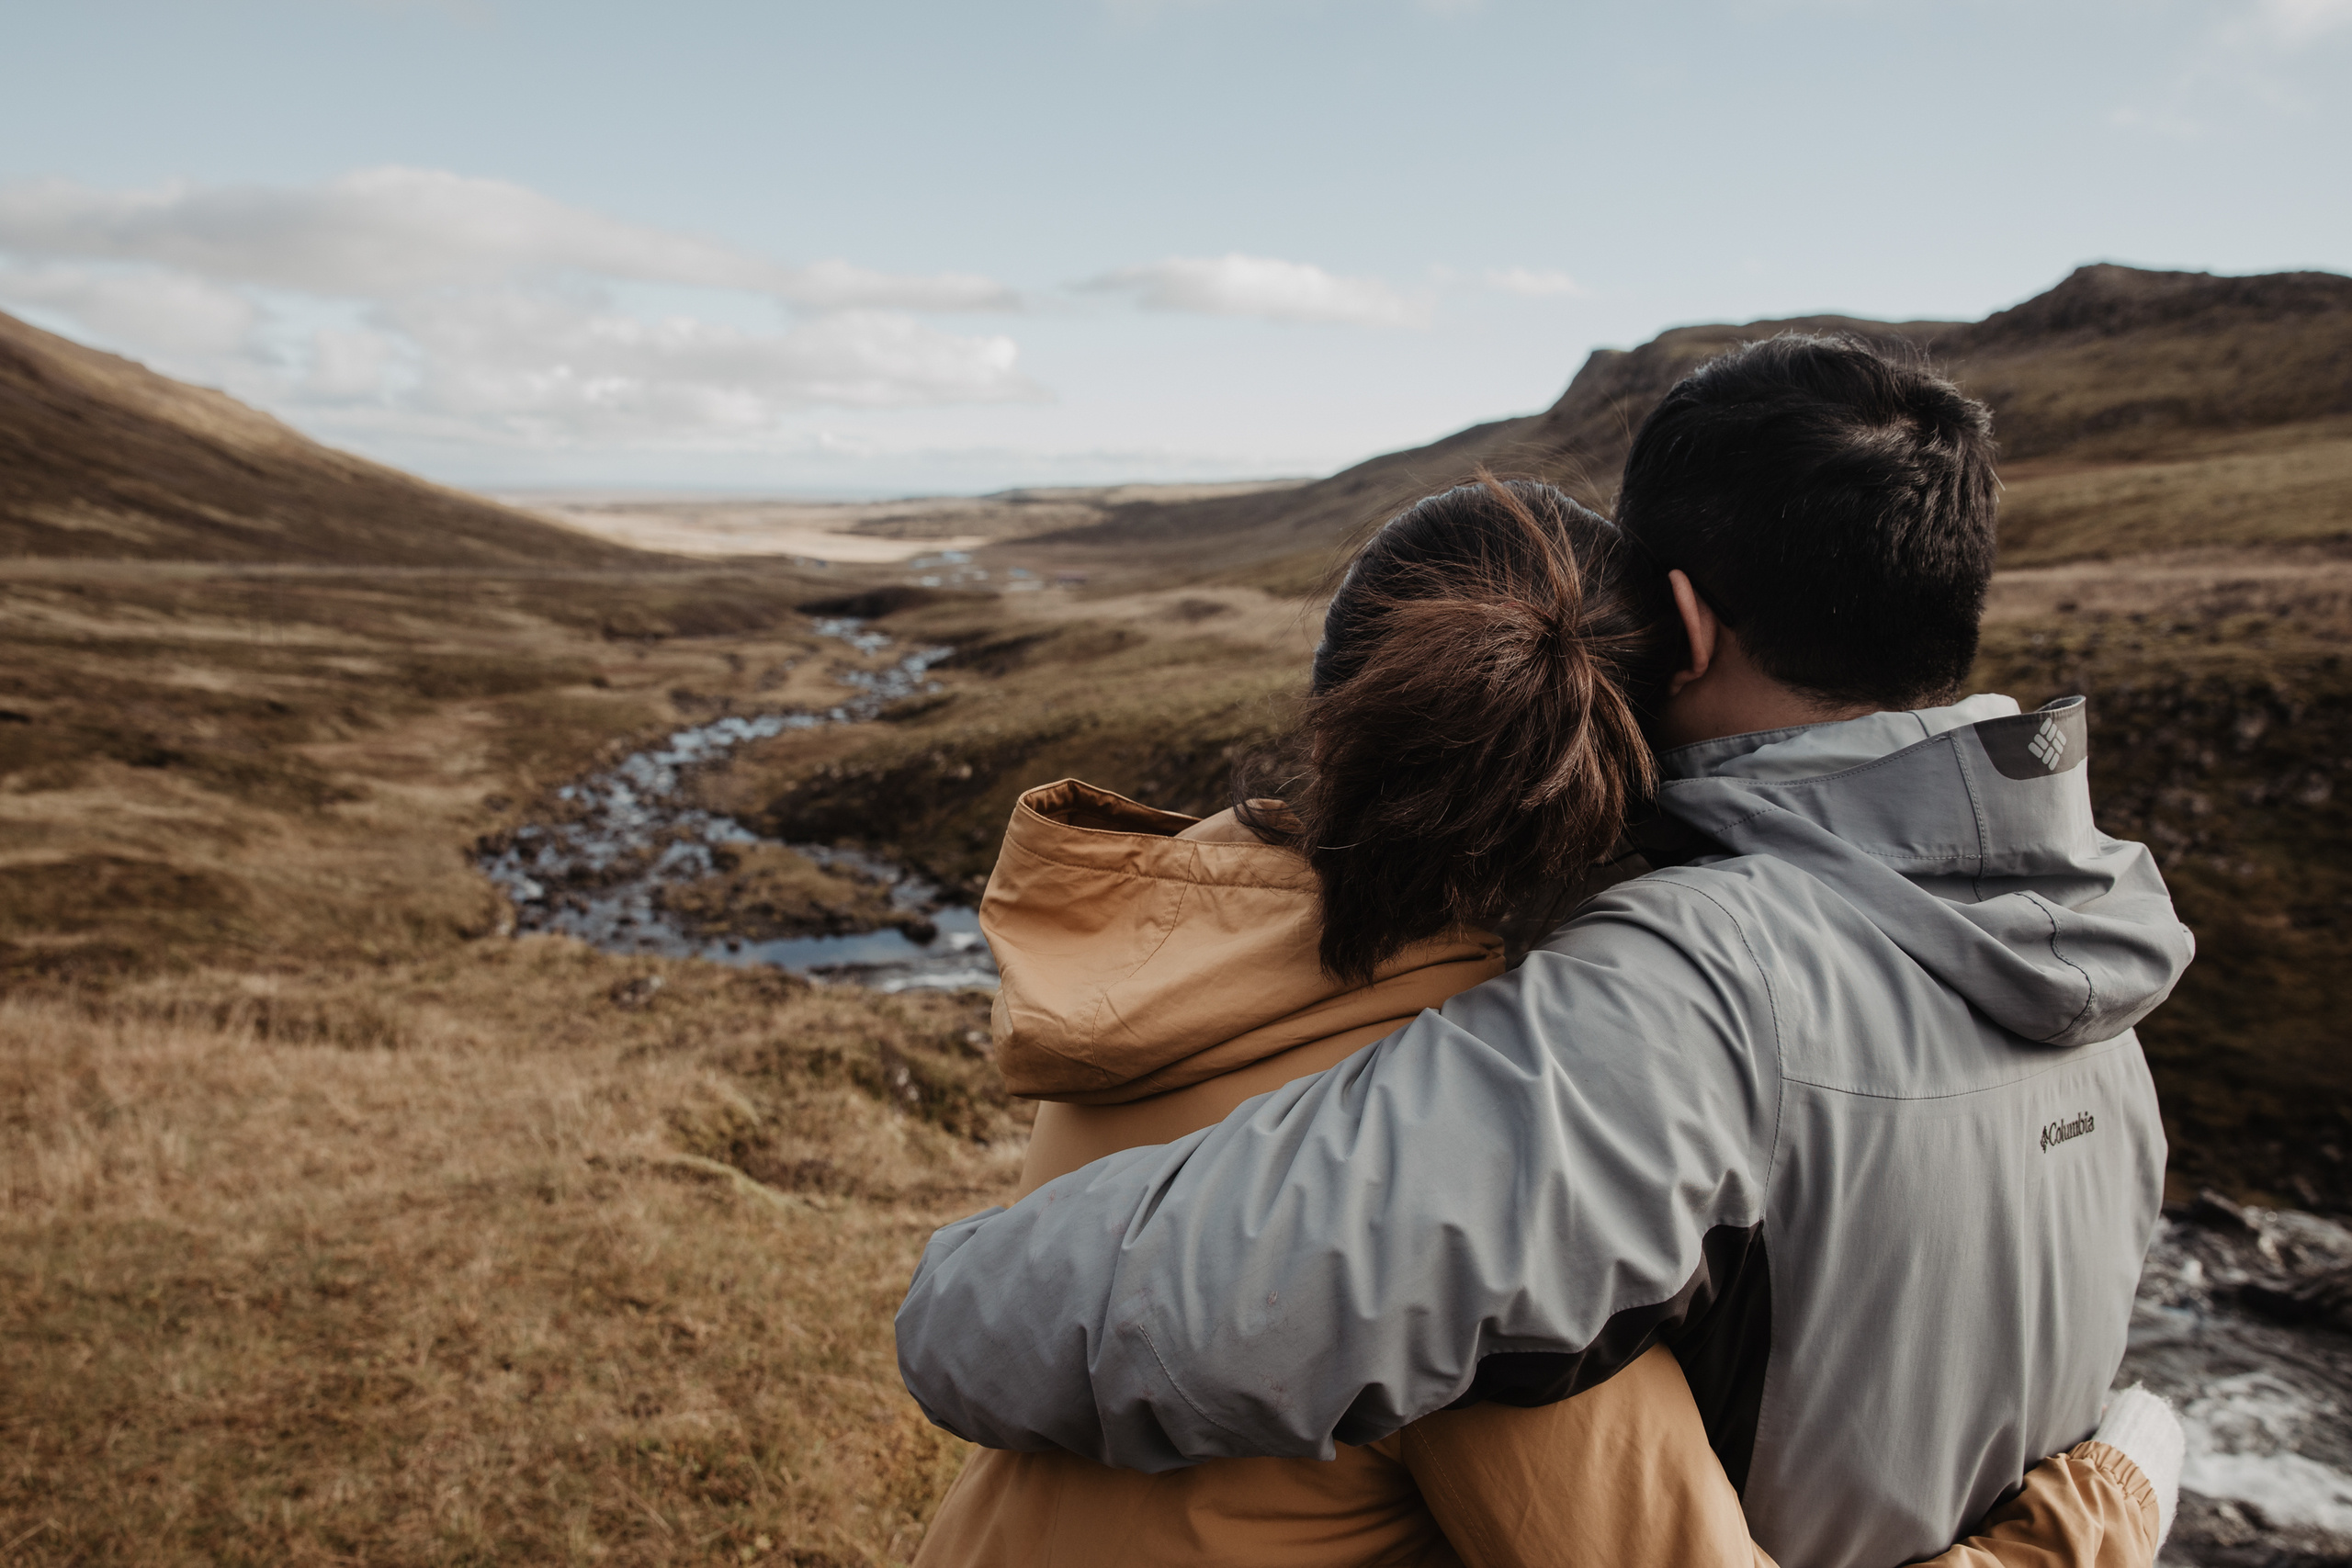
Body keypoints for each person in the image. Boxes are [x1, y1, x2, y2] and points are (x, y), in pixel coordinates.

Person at [897, 337, 2197, 1568]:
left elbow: (1077, 1315)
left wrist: (953, 1287)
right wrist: (2100, 1512)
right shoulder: (2095, 956)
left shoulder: (1214, 993)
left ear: (1680, 630)